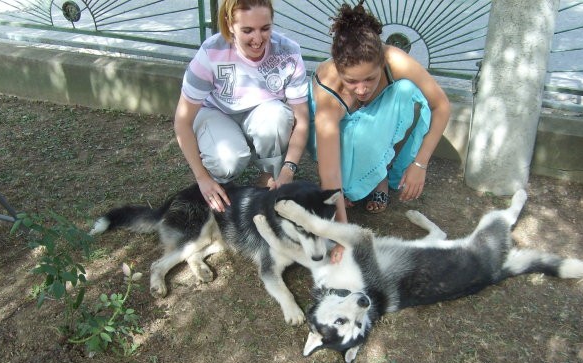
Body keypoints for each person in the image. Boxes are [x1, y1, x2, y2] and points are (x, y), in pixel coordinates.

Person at [309, 0, 450, 227]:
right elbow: (328, 168)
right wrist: (341, 229)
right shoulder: (329, 94)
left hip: (375, 122)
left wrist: (420, 164)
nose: (362, 89)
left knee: (408, 90)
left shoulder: (395, 60)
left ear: (382, 62)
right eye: (352, 81)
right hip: (339, 131)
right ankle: (350, 183)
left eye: (370, 78)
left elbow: (441, 105)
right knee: (340, 180)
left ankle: (380, 176)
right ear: (338, 68)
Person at [174, 0, 309, 212]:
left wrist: (288, 170)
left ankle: (269, 178)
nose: (258, 39)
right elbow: (182, 121)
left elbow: (301, 119)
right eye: (247, 30)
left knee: (277, 116)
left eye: (265, 28)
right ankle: (219, 184)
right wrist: (201, 178)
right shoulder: (211, 52)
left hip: (261, 114)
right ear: (229, 25)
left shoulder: (288, 53)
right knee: (227, 160)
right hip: (216, 113)